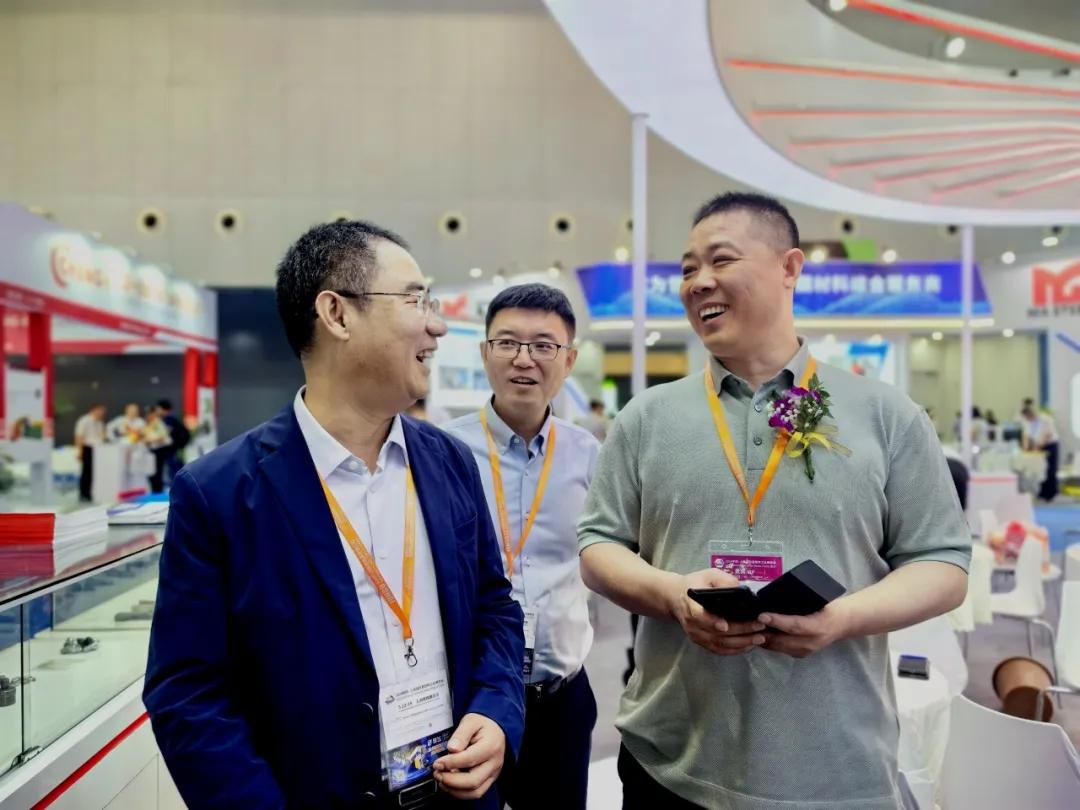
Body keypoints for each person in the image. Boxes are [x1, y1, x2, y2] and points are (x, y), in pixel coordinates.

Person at [578, 192, 970, 809]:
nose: (698, 282)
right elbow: (599, 545)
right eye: (687, 269)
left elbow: (943, 564)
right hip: (671, 761)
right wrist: (672, 595)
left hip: (837, 769)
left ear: (789, 268)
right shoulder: (646, 418)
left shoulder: (887, 415)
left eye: (721, 260)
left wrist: (843, 618)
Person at [144, 220, 525, 809]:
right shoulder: (220, 493)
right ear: (337, 314)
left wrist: (497, 711)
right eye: (415, 300)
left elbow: (494, 607)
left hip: (457, 794)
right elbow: (187, 693)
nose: (437, 325)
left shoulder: (450, 462)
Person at [442, 284, 600, 810]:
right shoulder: (442, 450)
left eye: (543, 345)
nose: (524, 359)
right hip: (470, 700)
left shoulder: (589, 455)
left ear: (569, 359)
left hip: (561, 697)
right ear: (485, 352)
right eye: (507, 342)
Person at [1021, 399, 1060, 501]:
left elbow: (1048, 434)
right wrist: (1025, 448)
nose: (1028, 418)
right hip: (1039, 446)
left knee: (1050, 469)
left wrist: (1038, 446)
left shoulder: (1045, 418)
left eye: (1029, 415)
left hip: (1051, 445)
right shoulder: (1028, 422)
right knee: (1041, 469)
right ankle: (1043, 492)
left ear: (1032, 413)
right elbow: (1026, 436)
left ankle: (1051, 494)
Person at [73, 404, 107, 502]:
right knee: (86, 472)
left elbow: (101, 436)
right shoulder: (84, 420)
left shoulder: (100, 422)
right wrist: (79, 450)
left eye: (103, 412)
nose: (102, 413)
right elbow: (79, 436)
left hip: (98, 450)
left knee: (93, 472)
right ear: (94, 410)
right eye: (100, 411)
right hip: (87, 448)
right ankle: (83, 494)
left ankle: (90, 494)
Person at [156, 399, 190, 484]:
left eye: (158, 408)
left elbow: (183, 434)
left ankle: (177, 487)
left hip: (172, 451)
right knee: (173, 471)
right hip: (170, 451)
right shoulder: (168, 420)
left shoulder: (170, 421)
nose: (157, 411)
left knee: (174, 471)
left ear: (163, 409)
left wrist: (178, 445)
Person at [143, 407, 173, 494]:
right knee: (150, 471)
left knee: (158, 471)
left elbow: (164, 437)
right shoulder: (146, 424)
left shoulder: (159, 423)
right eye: (148, 414)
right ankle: (153, 490)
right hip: (149, 451)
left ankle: (158, 490)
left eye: (151, 414)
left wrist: (154, 439)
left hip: (159, 451)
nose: (149, 416)